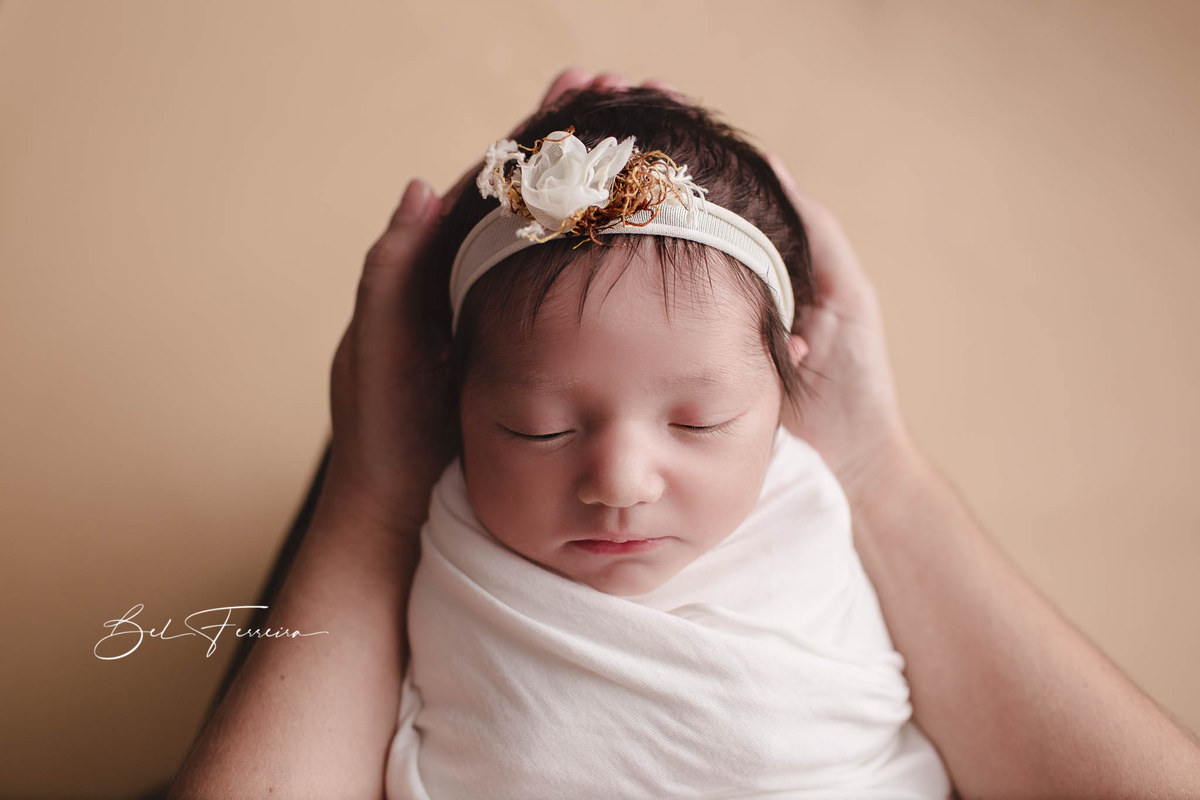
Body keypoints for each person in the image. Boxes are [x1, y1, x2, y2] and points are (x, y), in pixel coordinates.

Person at [167, 70, 1200, 799]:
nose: (619, 481)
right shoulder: (432, 523)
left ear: (793, 378)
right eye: (537, 428)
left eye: (701, 420)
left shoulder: (819, 504)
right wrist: (366, 497)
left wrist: (879, 469)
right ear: (454, 402)